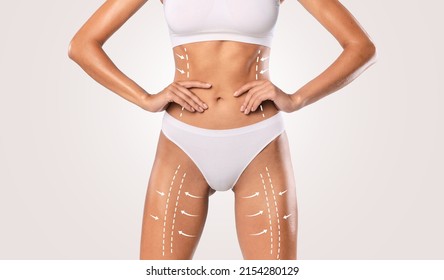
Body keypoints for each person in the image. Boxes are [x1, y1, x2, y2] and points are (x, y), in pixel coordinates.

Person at [68, 0, 377, 260]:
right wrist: (145, 99)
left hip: (260, 140)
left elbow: (361, 47)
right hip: (182, 142)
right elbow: (82, 45)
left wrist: (297, 99)